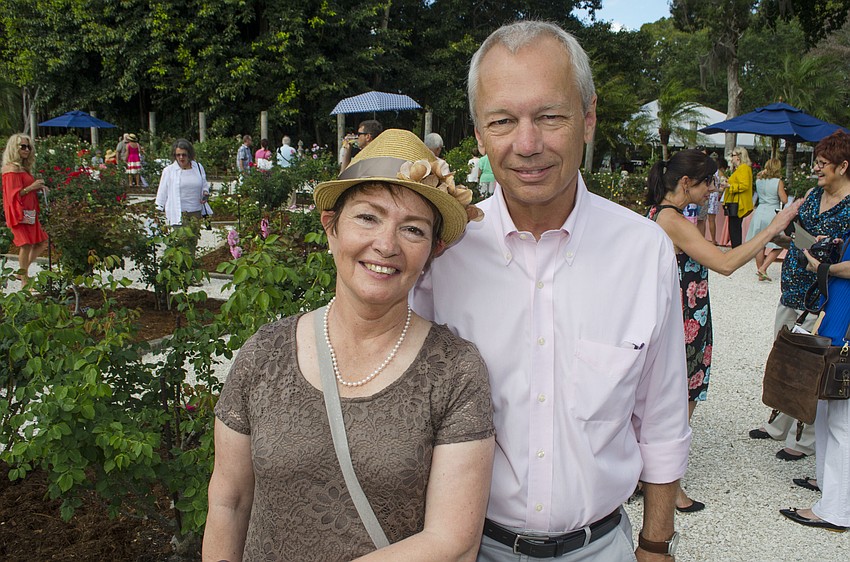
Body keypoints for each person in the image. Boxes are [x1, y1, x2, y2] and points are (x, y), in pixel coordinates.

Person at [412, 21, 691, 561]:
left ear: (588, 118)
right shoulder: (441, 254)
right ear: (477, 133)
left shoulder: (643, 251)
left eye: (550, 117)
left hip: (601, 546)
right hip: (469, 547)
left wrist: (656, 545)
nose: (527, 144)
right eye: (502, 121)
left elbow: (660, 418)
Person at [203, 129, 495, 561]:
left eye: (412, 229)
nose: (386, 244)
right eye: (368, 217)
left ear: (433, 251)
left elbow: (452, 538)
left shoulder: (454, 371)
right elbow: (229, 502)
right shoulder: (264, 355)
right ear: (331, 228)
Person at [645, 149, 801, 514]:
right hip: (684, 322)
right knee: (679, 407)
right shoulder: (671, 218)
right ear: (686, 183)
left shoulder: (665, 213)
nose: (713, 188)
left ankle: (649, 477)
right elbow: (726, 263)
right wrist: (773, 228)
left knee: (667, 404)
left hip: (680, 316)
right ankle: (670, 489)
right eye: (707, 182)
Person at [750, 131, 850, 460]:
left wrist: (825, 254)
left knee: (815, 366)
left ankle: (804, 440)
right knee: (785, 356)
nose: (816, 169)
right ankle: (778, 423)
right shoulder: (810, 195)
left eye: (822, 164)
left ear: (842, 166)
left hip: (825, 296)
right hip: (793, 286)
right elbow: (794, 233)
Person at [780, 239, 850, 532]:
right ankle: (827, 483)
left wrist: (822, 267)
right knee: (826, 411)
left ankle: (836, 510)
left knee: (842, 423)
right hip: (837, 322)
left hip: (845, 328)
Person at [1, 133, 49, 287]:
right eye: (23, 146)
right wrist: (32, 187)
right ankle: (24, 281)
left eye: (28, 146)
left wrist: (39, 188)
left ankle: (21, 272)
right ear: (14, 148)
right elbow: (12, 194)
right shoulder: (12, 169)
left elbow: (24, 190)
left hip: (29, 212)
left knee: (42, 242)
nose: (26, 149)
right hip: (19, 212)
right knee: (26, 245)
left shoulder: (22, 168)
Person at [154, 139, 212, 258]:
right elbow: (162, 192)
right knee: (179, 244)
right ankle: (180, 272)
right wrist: (157, 211)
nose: (181, 158)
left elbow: (204, 185)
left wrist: (205, 194)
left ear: (189, 154)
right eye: (178, 155)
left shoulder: (198, 167)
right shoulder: (169, 171)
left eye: (184, 154)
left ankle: (190, 271)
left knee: (192, 243)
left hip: (195, 212)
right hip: (178, 213)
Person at [746, 157, 788, 281]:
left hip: (759, 211)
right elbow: (784, 199)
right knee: (780, 243)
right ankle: (763, 267)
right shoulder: (777, 181)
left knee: (760, 243)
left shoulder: (759, 180)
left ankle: (760, 270)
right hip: (771, 212)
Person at [722, 146, 753, 247]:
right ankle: (736, 248)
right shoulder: (739, 169)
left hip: (738, 203)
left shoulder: (744, 168)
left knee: (735, 228)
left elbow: (744, 185)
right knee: (734, 228)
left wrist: (730, 186)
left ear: (739, 157)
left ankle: (736, 250)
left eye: (733, 155)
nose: (732, 158)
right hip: (734, 202)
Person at [705, 158, 728, 244]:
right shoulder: (719, 172)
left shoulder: (709, 171)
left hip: (707, 194)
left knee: (704, 219)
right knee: (711, 219)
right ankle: (713, 239)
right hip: (714, 195)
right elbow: (724, 182)